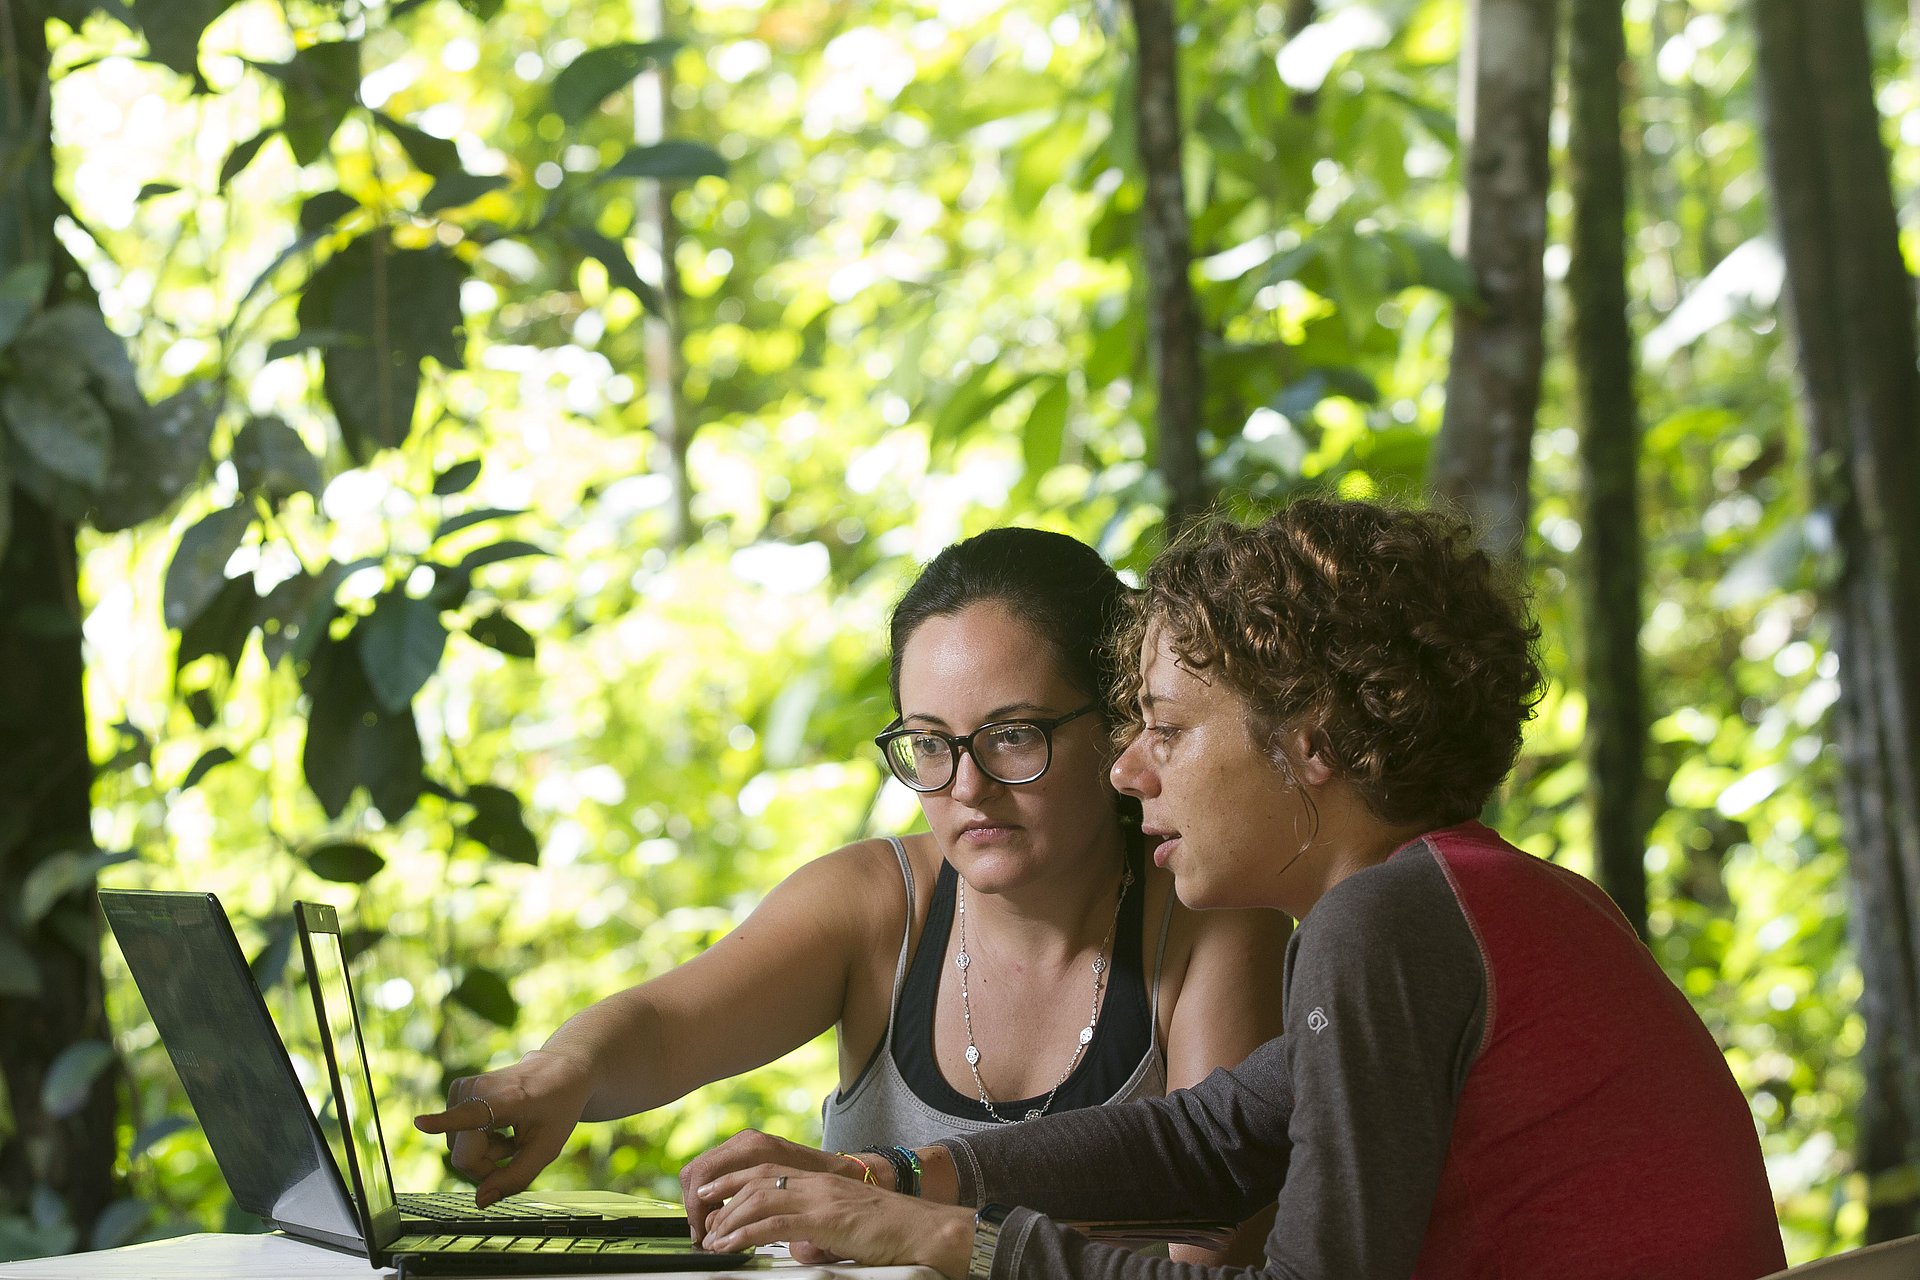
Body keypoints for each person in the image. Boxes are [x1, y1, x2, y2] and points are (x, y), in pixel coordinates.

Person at [682, 497, 1789, 1279]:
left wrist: (932, 1239)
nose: (1128, 768)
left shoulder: (1386, 921)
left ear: (1307, 740)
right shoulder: (1466, 897)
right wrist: (893, 1171)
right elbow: (1211, 1136)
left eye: (1164, 727)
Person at [414, 527, 1288, 1264]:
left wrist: (907, 1218)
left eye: (1013, 736)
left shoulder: (1212, 920)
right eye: (929, 744)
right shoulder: (881, 901)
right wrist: (562, 1073)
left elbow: (1207, 1256)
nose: (967, 787)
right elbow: (663, 1024)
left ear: (1119, 726)